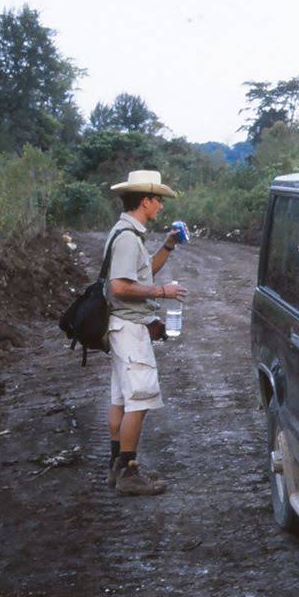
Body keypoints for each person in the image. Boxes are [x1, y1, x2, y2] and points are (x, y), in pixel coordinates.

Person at [104, 170, 188, 496]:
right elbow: (121, 286)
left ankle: (117, 467)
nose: (161, 207)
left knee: (121, 399)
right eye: (159, 201)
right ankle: (128, 471)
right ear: (145, 201)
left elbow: (140, 274)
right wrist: (161, 292)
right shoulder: (127, 238)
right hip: (128, 328)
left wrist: (167, 246)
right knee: (138, 400)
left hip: (121, 326)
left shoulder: (127, 233)